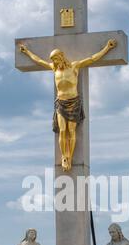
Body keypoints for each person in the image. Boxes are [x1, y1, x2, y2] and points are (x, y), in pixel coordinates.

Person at [19, 39, 117, 171]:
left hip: (73, 103)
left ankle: (70, 156)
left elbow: (92, 59)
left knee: (71, 131)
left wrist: (107, 48)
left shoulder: (74, 66)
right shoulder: (54, 69)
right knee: (62, 130)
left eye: (56, 59)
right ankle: (64, 157)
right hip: (60, 103)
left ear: (61, 57)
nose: (54, 62)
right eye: (53, 60)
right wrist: (27, 52)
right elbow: (39, 61)